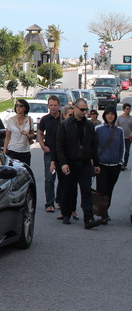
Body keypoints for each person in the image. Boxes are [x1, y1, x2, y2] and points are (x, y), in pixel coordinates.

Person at [56, 98, 102, 229]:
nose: (84, 112)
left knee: (86, 190)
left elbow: (94, 145)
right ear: (75, 108)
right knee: (68, 189)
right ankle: (66, 214)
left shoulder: (89, 126)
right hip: (70, 162)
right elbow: (60, 146)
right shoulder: (64, 125)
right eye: (82, 109)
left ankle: (89, 218)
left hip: (85, 163)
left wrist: (96, 164)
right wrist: (63, 163)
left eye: (86, 109)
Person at [95, 105, 125, 224]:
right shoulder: (98, 129)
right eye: (108, 114)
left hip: (115, 166)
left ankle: (105, 210)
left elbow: (122, 147)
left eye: (112, 114)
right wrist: (95, 162)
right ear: (104, 115)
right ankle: (103, 213)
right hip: (101, 165)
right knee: (102, 190)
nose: (110, 116)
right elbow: (94, 146)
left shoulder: (119, 131)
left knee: (109, 190)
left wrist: (120, 162)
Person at [37, 95, 62, 213]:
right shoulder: (45, 119)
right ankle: (49, 203)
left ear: (59, 105)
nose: (53, 107)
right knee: (49, 178)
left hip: (63, 153)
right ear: (48, 106)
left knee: (63, 179)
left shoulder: (64, 118)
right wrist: (42, 145)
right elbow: (40, 133)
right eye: (51, 105)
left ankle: (60, 201)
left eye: (55, 105)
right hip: (49, 153)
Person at [3, 99, 34, 166]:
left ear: (25, 108)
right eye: (17, 106)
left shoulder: (29, 120)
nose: (18, 108)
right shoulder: (10, 120)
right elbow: (7, 137)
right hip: (13, 151)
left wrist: (27, 134)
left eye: (21, 106)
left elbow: (32, 135)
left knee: (25, 172)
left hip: (25, 151)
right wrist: (4, 151)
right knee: (12, 172)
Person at [115, 102, 132, 171]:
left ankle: (125, 164)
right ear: (124, 109)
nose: (129, 110)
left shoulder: (131, 118)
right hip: (120, 137)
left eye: (129, 109)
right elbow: (116, 127)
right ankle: (119, 163)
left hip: (128, 137)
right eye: (127, 109)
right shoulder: (119, 118)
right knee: (120, 151)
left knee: (127, 151)